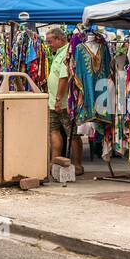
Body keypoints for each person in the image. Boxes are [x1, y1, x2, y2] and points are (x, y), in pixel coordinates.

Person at [46, 27, 74, 170]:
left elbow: (64, 78)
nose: (48, 45)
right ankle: (54, 163)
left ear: (60, 39)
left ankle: (78, 165)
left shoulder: (67, 53)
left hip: (63, 103)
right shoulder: (58, 53)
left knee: (72, 134)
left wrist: (58, 99)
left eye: (50, 42)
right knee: (54, 131)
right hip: (53, 102)